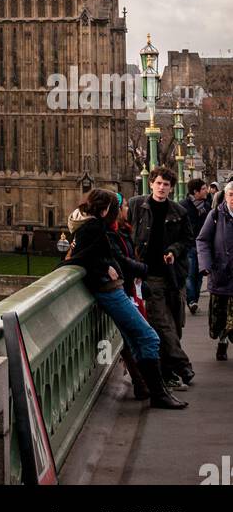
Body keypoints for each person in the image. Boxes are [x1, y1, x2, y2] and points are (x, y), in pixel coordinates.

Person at [65, 188, 186, 409]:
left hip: (112, 289)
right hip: (110, 291)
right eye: (119, 207)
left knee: (135, 340)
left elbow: (92, 255)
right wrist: (105, 266)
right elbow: (79, 258)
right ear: (106, 210)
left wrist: (108, 264)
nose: (124, 210)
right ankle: (159, 394)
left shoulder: (93, 226)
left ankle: (153, 390)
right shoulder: (93, 227)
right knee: (149, 338)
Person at [128, 168, 195, 389]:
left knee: (175, 325)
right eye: (158, 183)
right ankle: (183, 365)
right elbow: (127, 234)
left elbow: (187, 240)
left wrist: (173, 251)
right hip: (150, 274)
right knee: (161, 321)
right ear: (151, 184)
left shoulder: (178, 211)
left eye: (166, 184)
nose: (161, 187)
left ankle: (168, 372)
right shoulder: (138, 205)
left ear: (171, 187)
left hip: (174, 275)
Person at [108, 193, 150, 399]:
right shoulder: (109, 234)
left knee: (134, 336)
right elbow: (120, 260)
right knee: (138, 336)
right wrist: (144, 269)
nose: (127, 209)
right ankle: (144, 383)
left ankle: (144, 382)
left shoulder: (123, 231)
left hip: (130, 289)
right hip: (119, 292)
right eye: (123, 206)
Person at [197, 178, 233, 361]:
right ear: (225, 196)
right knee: (220, 315)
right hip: (221, 273)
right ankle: (222, 340)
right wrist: (206, 264)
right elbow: (202, 240)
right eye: (231, 195)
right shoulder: (216, 215)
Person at [184, 178, 211, 314]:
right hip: (189, 245)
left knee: (200, 275)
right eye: (204, 188)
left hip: (203, 246)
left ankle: (195, 299)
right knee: (190, 274)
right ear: (196, 192)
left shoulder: (207, 206)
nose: (206, 190)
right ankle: (191, 300)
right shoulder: (184, 206)